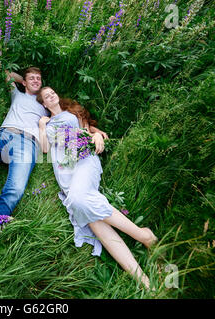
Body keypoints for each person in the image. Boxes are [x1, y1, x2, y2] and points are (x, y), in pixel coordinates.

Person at [0, 68, 109, 296]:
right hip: (3, 136)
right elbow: (6, 74)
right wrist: (24, 81)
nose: (37, 81)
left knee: (13, 193)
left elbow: (81, 124)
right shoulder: (17, 94)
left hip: (28, 146)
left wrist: (97, 133)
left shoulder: (48, 109)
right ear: (25, 82)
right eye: (32, 78)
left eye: (40, 78)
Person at [37, 86, 158, 290]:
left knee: (78, 200)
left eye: (52, 92)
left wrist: (98, 136)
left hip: (84, 159)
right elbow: (45, 149)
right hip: (66, 173)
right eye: (46, 96)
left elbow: (92, 132)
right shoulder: (46, 123)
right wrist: (41, 125)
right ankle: (144, 281)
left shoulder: (72, 113)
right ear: (43, 104)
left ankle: (144, 235)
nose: (51, 95)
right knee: (92, 220)